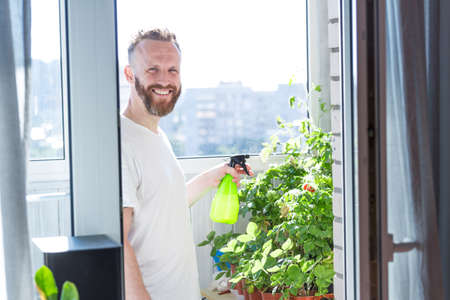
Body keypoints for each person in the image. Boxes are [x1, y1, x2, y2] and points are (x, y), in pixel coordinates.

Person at [121, 28, 253, 300]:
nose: (164, 80)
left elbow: (164, 208)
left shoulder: (156, 135)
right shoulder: (122, 141)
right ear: (129, 74)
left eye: (173, 70)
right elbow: (119, 242)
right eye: (152, 69)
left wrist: (212, 177)